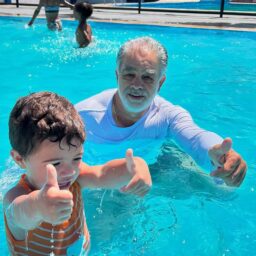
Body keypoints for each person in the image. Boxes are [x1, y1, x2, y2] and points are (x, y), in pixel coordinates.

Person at [75, 36, 247, 187]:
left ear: (160, 83)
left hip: (152, 169)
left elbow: (195, 137)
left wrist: (220, 155)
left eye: (147, 77)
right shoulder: (83, 116)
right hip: (99, 177)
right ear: (117, 76)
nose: (137, 85)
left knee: (220, 188)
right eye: (129, 75)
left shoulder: (168, 115)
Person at [3, 91, 151, 255]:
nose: (69, 171)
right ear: (20, 159)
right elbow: (19, 214)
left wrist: (137, 167)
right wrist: (38, 205)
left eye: (76, 158)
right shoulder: (15, 197)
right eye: (56, 163)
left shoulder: (75, 177)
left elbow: (103, 173)